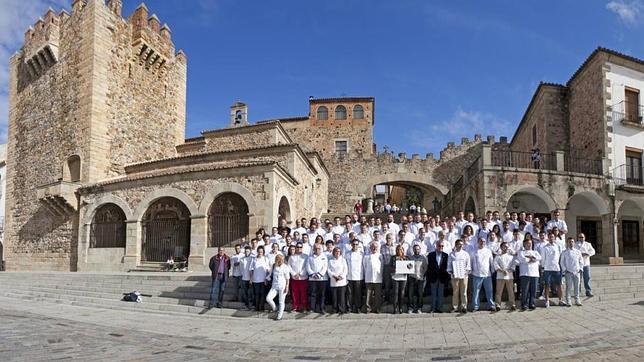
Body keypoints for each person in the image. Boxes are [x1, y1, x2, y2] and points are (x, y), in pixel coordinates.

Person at [470, 237, 495, 312]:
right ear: (478, 242)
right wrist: (471, 271)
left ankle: (490, 305)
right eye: (481, 241)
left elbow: (491, 262)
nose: (482, 242)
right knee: (476, 291)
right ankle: (475, 306)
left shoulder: (488, 251)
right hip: (477, 274)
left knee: (489, 290)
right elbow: (471, 262)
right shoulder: (474, 251)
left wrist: (492, 270)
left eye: (484, 241)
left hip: (487, 274)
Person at [540, 233, 565, 307]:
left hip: (556, 268)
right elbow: (543, 259)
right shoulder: (545, 248)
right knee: (547, 285)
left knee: (559, 285)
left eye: (552, 237)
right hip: (547, 269)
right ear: (548, 238)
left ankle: (560, 300)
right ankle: (547, 301)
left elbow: (560, 257)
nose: (551, 238)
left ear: (554, 238)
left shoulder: (558, 246)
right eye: (550, 237)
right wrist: (543, 268)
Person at [447, 239, 471, 313]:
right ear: (456, 245)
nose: (460, 245)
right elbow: (449, 265)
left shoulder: (466, 254)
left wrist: (465, 272)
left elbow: (468, 265)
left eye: (462, 244)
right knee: (455, 292)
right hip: (454, 276)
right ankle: (455, 307)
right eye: (459, 244)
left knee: (464, 292)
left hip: (464, 276)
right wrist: (451, 272)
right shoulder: (451, 254)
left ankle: (464, 307)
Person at [518, 238, 541, 311]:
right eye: (528, 243)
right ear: (524, 244)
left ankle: (532, 303)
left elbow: (539, 258)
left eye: (530, 243)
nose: (529, 244)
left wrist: (530, 258)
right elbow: (523, 259)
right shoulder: (521, 252)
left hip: (534, 274)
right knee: (525, 290)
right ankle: (524, 304)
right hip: (525, 273)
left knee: (533, 290)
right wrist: (531, 259)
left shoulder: (535, 252)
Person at [561, 237, 584, 307]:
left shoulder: (578, 252)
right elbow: (562, 262)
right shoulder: (564, 252)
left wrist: (580, 269)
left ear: (574, 243)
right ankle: (568, 301)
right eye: (569, 242)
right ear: (567, 243)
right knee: (569, 287)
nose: (571, 243)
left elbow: (581, 261)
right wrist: (565, 270)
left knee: (577, 287)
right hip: (569, 272)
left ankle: (577, 300)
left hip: (577, 272)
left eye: (572, 242)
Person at [265, 254, 290, 320]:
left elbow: (287, 278)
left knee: (281, 301)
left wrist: (287, 287)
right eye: (279, 260)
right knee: (268, 298)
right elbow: (270, 274)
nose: (281, 261)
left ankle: (279, 316)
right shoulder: (273, 266)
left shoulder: (285, 267)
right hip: (274, 286)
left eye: (282, 260)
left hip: (282, 286)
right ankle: (275, 308)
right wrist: (266, 279)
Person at [427, 240, 449, 313]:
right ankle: (433, 308)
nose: (441, 247)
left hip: (442, 277)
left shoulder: (446, 255)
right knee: (433, 294)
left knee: (440, 294)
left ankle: (439, 308)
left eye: (442, 246)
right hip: (433, 277)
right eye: (439, 246)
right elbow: (429, 267)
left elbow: (446, 267)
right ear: (436, 246)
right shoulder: (431, 255)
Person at [493, 242, 516, 311]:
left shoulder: (511, 257)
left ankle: (513, 304)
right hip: (500, 276)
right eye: (504, 246)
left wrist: (508, 271)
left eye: (507, 246)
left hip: (509, 276)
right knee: (498, 291)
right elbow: (496, 266)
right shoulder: (498, 256)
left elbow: (513, 266)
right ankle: (498, 305)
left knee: (511, 291)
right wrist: (502, 271)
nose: (506, 248)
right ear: (501, 247)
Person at [307, 243, 328, 314]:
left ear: (321, 249)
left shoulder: (324, 257)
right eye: (315, 248)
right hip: (312, 279)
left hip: (322, 279)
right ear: (313, 249)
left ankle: (322, 308)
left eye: (318, 248)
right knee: (313, 294)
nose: (317, 250)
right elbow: (308, 267)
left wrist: (319, 275)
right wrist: (313, 274)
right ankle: (312, 308)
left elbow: (325, 267)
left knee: (322, 294)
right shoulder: (310, 257)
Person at [363, 242, 384, 313]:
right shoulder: (366, 256)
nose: (374, 248)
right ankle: (368, 308)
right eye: (373, 247)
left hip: (378, 278)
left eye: (375, 247)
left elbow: (382, 267)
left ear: (378, 248)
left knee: (378, 295)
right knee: (368, 294)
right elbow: (364, 266)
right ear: (370, 248)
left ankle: (377, 308)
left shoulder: (380, 256)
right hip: (369, 277)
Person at [288, 242, 309, 312]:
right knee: (294, 293)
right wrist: (294, 274)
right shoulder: (292, 257)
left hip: (303, 278)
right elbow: (289, 266)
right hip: (294, 278)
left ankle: (304, 307)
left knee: (303, 293)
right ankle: (295, 307)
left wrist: (300, 274)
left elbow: (307, 266)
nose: (299, 248)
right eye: (297, 247)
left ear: (302, 248)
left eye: (300, 247)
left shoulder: (306, 256)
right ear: (295, 248)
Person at [407, 244, 428, 314]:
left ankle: (419, 308)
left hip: (420, 278)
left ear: (420, 250)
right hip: (412, 278)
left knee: (420, 294)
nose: (417, 250)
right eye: (415, 249)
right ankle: (410, 308)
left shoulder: (423, 258)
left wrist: (422, 275)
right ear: (413, 250)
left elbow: (425, 268)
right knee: (410, 294)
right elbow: (408, 267)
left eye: (418, 249)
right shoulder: (410, 258)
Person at [327, 247, 349, 314]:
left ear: (340, 253)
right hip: (334, 280)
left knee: (341, 296)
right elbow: (328, 270)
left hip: (341, 281)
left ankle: (342, 309)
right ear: (333, 252)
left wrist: (340, 277)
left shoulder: (343, 260)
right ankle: (335, 309)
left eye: (339, 251)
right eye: (336, 251)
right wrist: (334, 276)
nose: (337, 253)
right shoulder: (330, 261)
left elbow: (345, 270)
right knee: (334, 296)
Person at [249, 246, 271, 311]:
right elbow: (251, 269)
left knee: (262, 294)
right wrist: (251, 279)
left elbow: (268, 270)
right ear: (257, 252)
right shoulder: (254, 259)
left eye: (261, 251)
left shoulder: (266, 259)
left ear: (263, 252)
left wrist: (266, 279)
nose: (260, 253)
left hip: (263, 280)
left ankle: (261, 308)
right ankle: (256, 308)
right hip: (255, 280)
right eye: (259, 251)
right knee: (256, 294)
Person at [346, 239, 364, 313]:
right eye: (353, 244)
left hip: (358, 276)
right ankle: (349, 308)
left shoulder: (361, 254)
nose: (355, 246)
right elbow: (345, 265)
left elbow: (364, 265)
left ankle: (358, 307)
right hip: (349, 276)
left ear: (358, 245)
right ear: (351, 245)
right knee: (349, 294)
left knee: (358, 293)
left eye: (356, 244)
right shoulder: (347, 254)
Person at [575, 233, 596, 297]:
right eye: (580, 237)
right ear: (578, 238)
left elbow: (593, 251)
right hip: (578, 264)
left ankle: (588, 291)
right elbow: (574, 252)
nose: (581, 238)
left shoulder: (588, 244)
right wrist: (580, 254)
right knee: (578, 279)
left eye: (582, 237)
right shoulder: (575, 244)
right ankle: (577, 292)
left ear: (584, 238)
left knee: (587, 278)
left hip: (586, 263)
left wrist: (587, 253)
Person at [390, 245, 408, 314]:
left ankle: (401, 308)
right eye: (398, 249)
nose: (399, 251)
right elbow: (390, 267)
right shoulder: (393, 258)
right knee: (395, 293)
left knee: (402, 293)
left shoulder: (406, 258)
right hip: (395, 277)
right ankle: (395, 308)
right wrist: (393, 269)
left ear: (403, 250)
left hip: (403, 277)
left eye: (401, 249)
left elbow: (409, 267)